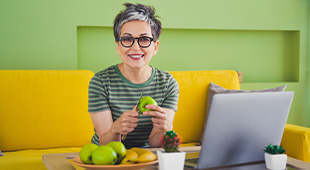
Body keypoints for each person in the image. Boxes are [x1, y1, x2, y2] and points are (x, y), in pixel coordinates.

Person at [88, 3, 179, 148]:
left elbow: (155, 144)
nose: (135, 47)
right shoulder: (100, 82)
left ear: (155, 47)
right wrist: (116, 130)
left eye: (144, 39)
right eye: (127, 39)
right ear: (118, 46)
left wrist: (165, 128)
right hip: (107, 156)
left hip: (145, 157)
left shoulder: (168, 84)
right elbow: (106, 143)